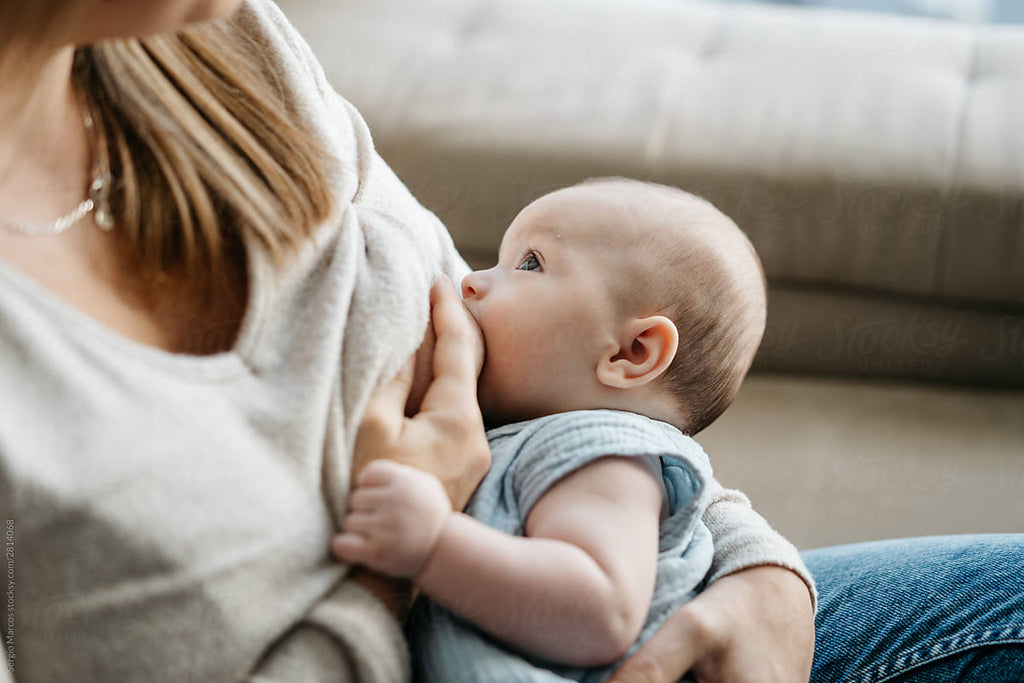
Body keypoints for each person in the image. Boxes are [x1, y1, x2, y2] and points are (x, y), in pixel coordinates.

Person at [0, 1, 1019, 682]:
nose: (476, 280)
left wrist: (757, 570)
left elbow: (604, 446)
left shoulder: (211, 35)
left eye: (524, 265)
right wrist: (397, 562)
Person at [332, 177, 794, 682]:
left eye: (529, 263)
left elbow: (603, 611)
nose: (472, 281)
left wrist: (434, 544)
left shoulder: (600, 454)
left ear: (630, 353)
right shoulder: (545, 435)